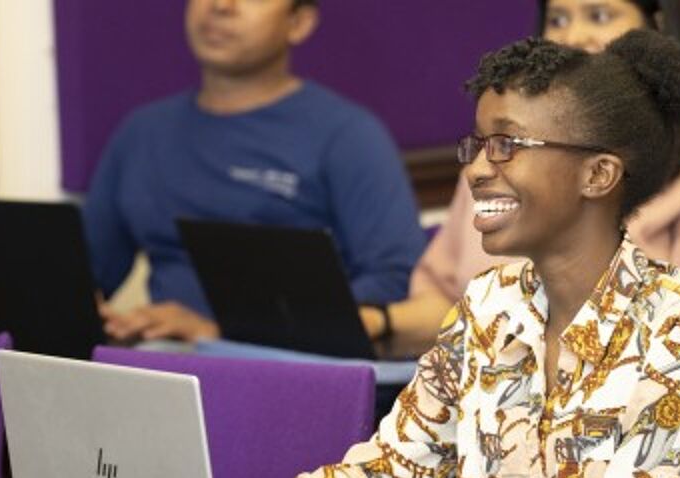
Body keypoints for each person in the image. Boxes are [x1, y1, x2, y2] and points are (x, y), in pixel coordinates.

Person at [219, 31, 680, 478]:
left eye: (507, 144)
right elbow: (389, 471)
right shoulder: (488, 306)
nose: (475, 169)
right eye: (476, 144)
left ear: (597, 175)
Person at [364, 0, 680, 375]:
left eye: (599, 15)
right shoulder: (494, 163)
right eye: (558, 19)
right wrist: (377, 323)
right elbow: (453, 309)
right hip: (480, 395)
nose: (573, 37)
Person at [85, 0, 426, 342]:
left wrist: (220, 335)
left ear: (299, 23)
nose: (220, 6)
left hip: (290, 369)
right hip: (162, 362)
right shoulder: (142, 133)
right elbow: (86, 274)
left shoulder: (348, 136)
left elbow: (393, 279)